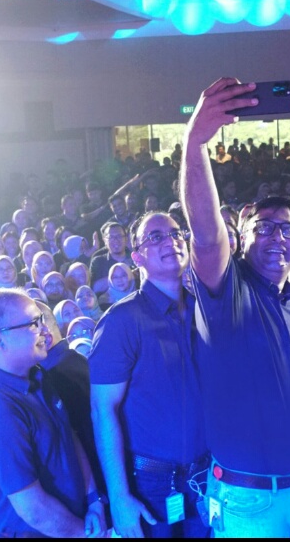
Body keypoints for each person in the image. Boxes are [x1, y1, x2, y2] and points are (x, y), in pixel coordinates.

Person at [180, 79, 290, 538]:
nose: (278, 237)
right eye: (265, 228)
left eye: (288, 230)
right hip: (250, 503)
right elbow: (206, 234)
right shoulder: (228, 290)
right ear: (242, 238)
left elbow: (289, 402)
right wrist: (195, 145)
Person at [91, 211, 208, 537]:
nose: (171, 241)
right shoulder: (122, 321)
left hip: (206, 478)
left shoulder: (204, 310)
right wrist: (119, 497)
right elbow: (103, 410)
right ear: (137, 257)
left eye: (176, 233)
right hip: (150, 485)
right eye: (156, 237)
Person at [0, 289, 105, 537]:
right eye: (33, 323)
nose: (44, 329)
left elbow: (68, 436)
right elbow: (34, 510)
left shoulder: (37, 376)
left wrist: (94, 501)